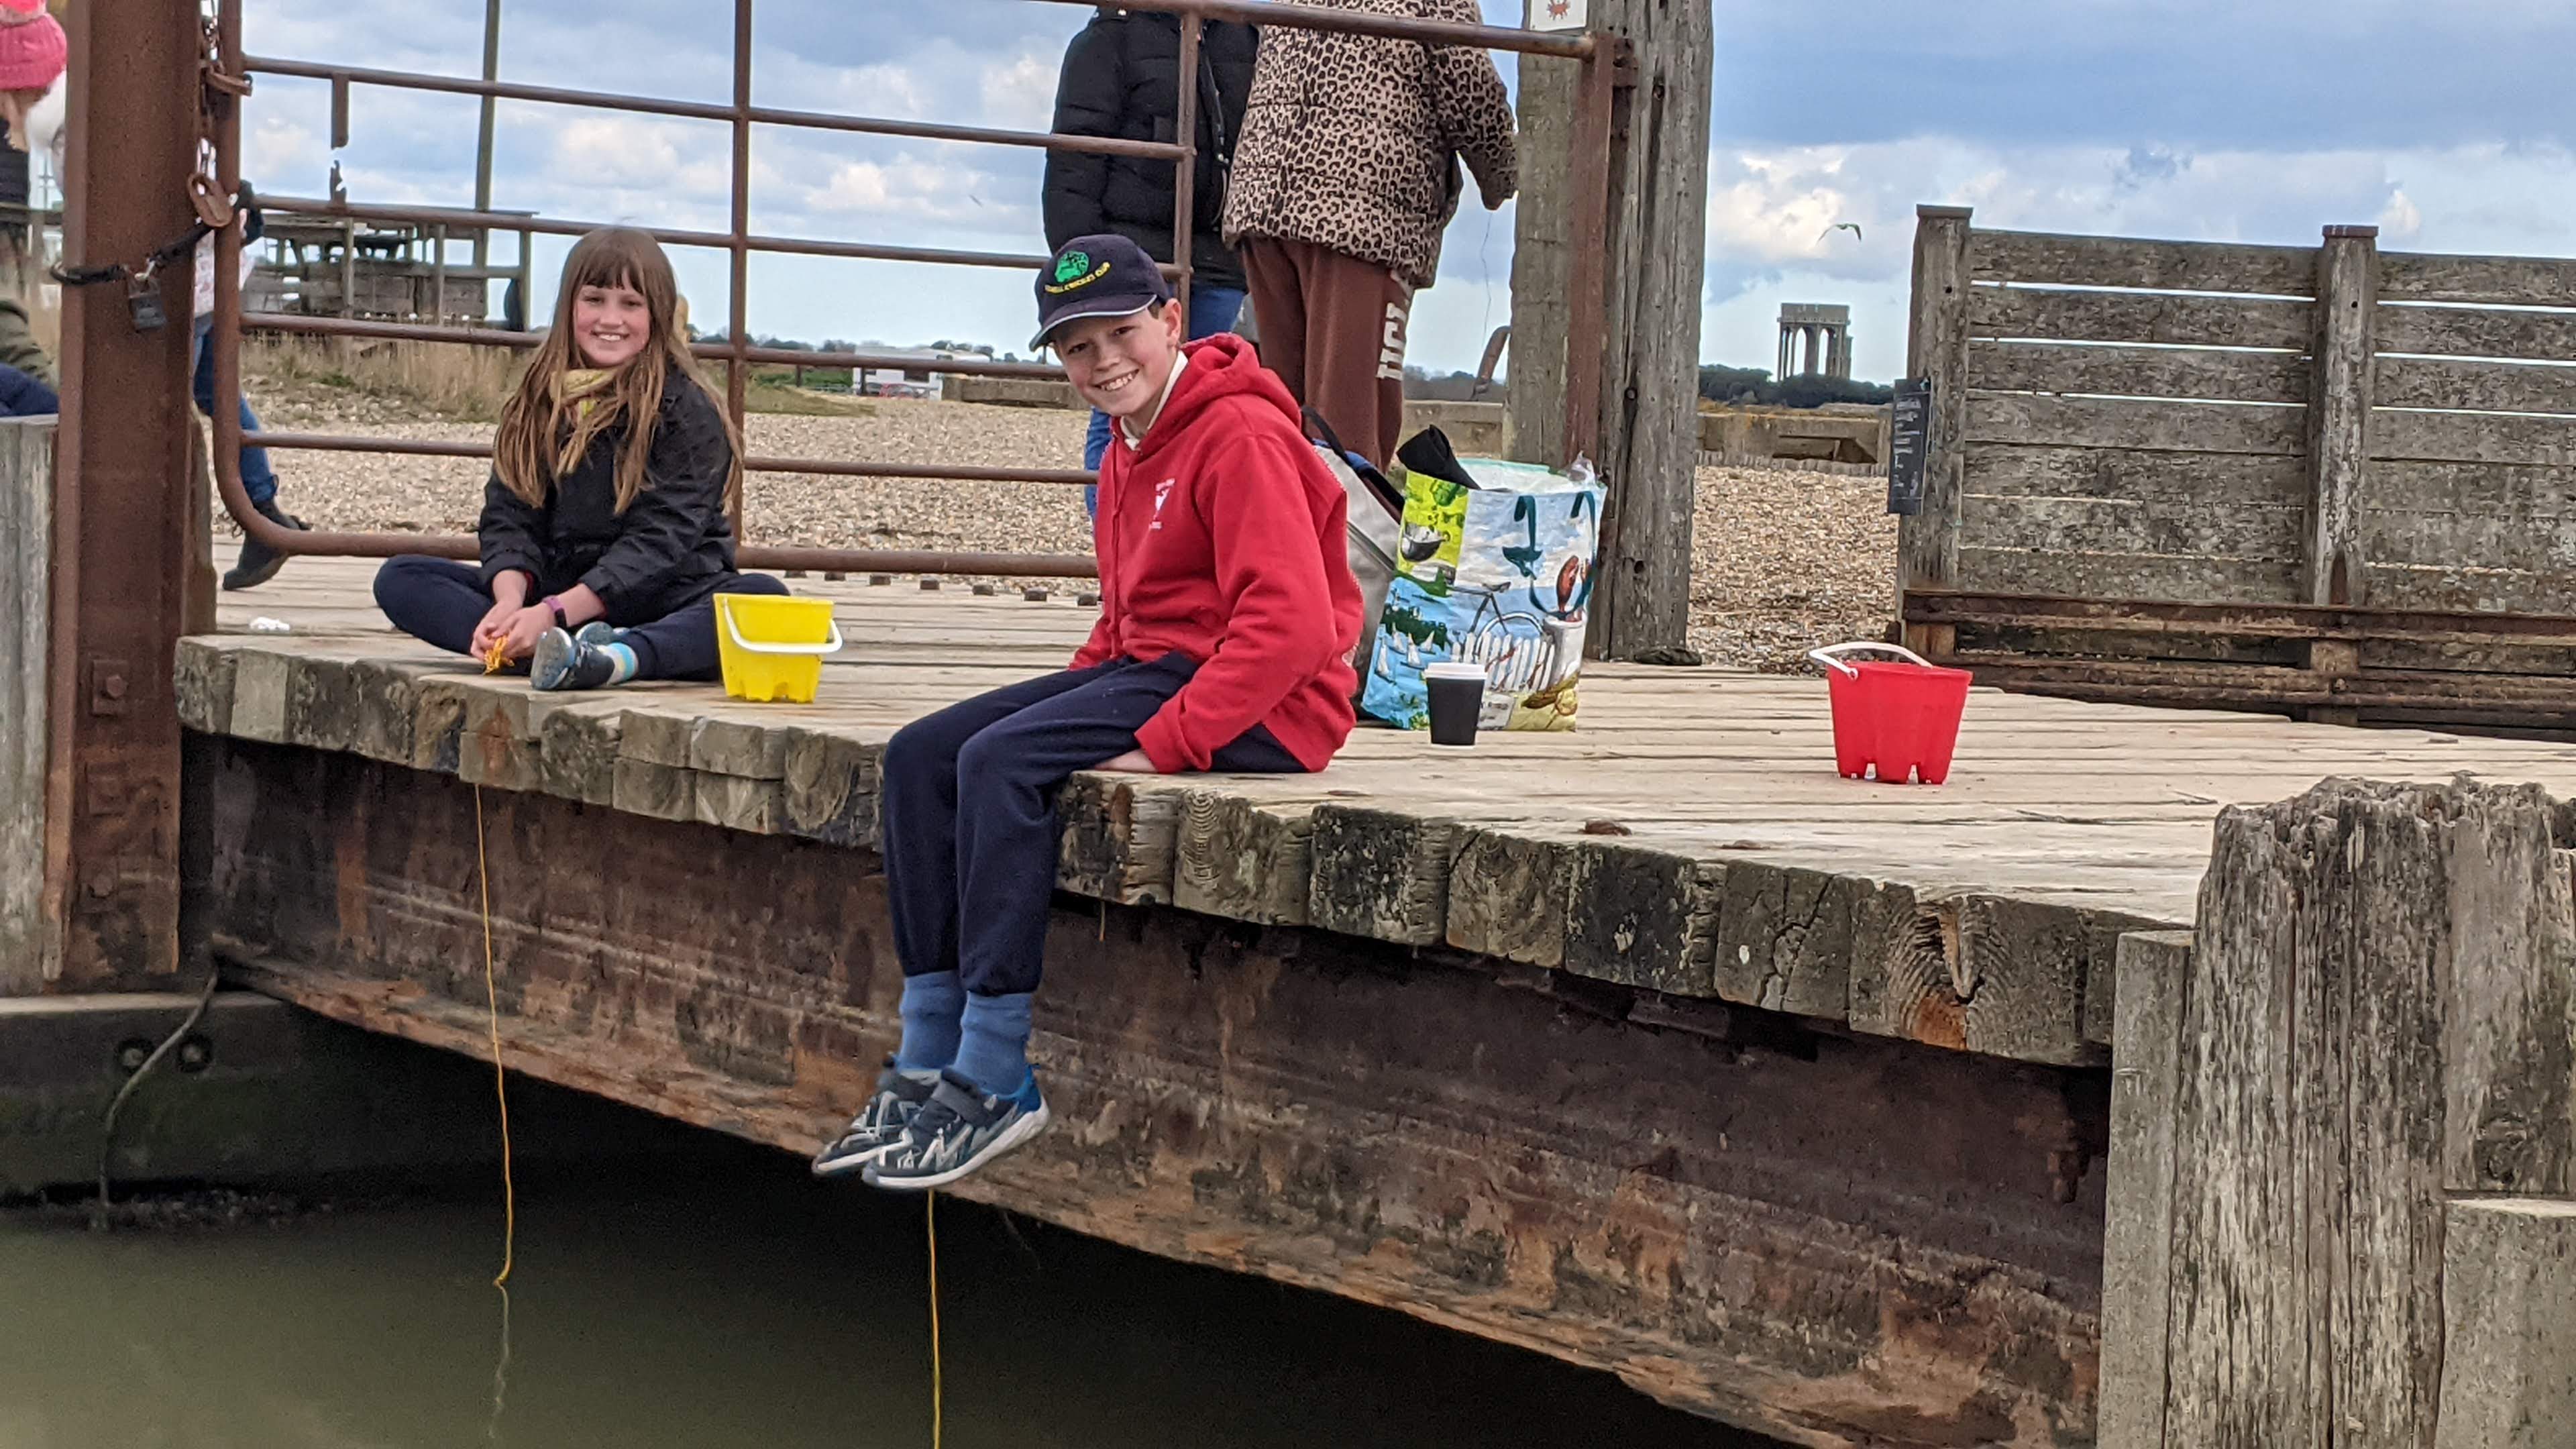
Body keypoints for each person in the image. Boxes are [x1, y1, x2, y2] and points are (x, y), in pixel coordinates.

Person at [811, 234, 1360, 1190]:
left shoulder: (1241, 435)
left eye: (1122, 333)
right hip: (1162, 667)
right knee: (921, 755)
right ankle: (927, 1050)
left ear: (1173, 322)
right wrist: (1071, 699)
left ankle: (997, 1074)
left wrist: (1172, 742)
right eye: (1077, 348)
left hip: (1269, 707)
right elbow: (1127, 625)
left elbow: (1296, 625)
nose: (1104, 362)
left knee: (999, 765)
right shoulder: (1128, 444)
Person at [373, 227, 787, 690]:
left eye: (631, 304)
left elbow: (660, 544)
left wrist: (555, 612)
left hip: (663, 592)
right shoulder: (536, 402)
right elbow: (509, 518)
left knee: (765, 600)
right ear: (570, 305)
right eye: (594, 300)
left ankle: (612, 656)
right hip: (556, 591)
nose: (611, 319)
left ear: (659, 313)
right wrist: (510, 601)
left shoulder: (689, 411)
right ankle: (538, 648)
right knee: (401, 577)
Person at [1220, 0, 1515, 470]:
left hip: (1266, 200)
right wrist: (1505, 176)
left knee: (1283, 411)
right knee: (1351, 419)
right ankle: (1347, 541)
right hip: (1362, 208)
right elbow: (1470, 86)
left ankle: (1286, 535)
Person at [1040, 3, 1256, 508]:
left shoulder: (1243, 36)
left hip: (1218, 257)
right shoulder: (1109, 38)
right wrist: (1082, 269)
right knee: (1121, 406)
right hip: (1129, 261)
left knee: (1207, 404)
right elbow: (1073, 161)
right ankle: (1117, 554)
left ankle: (1181, 550)